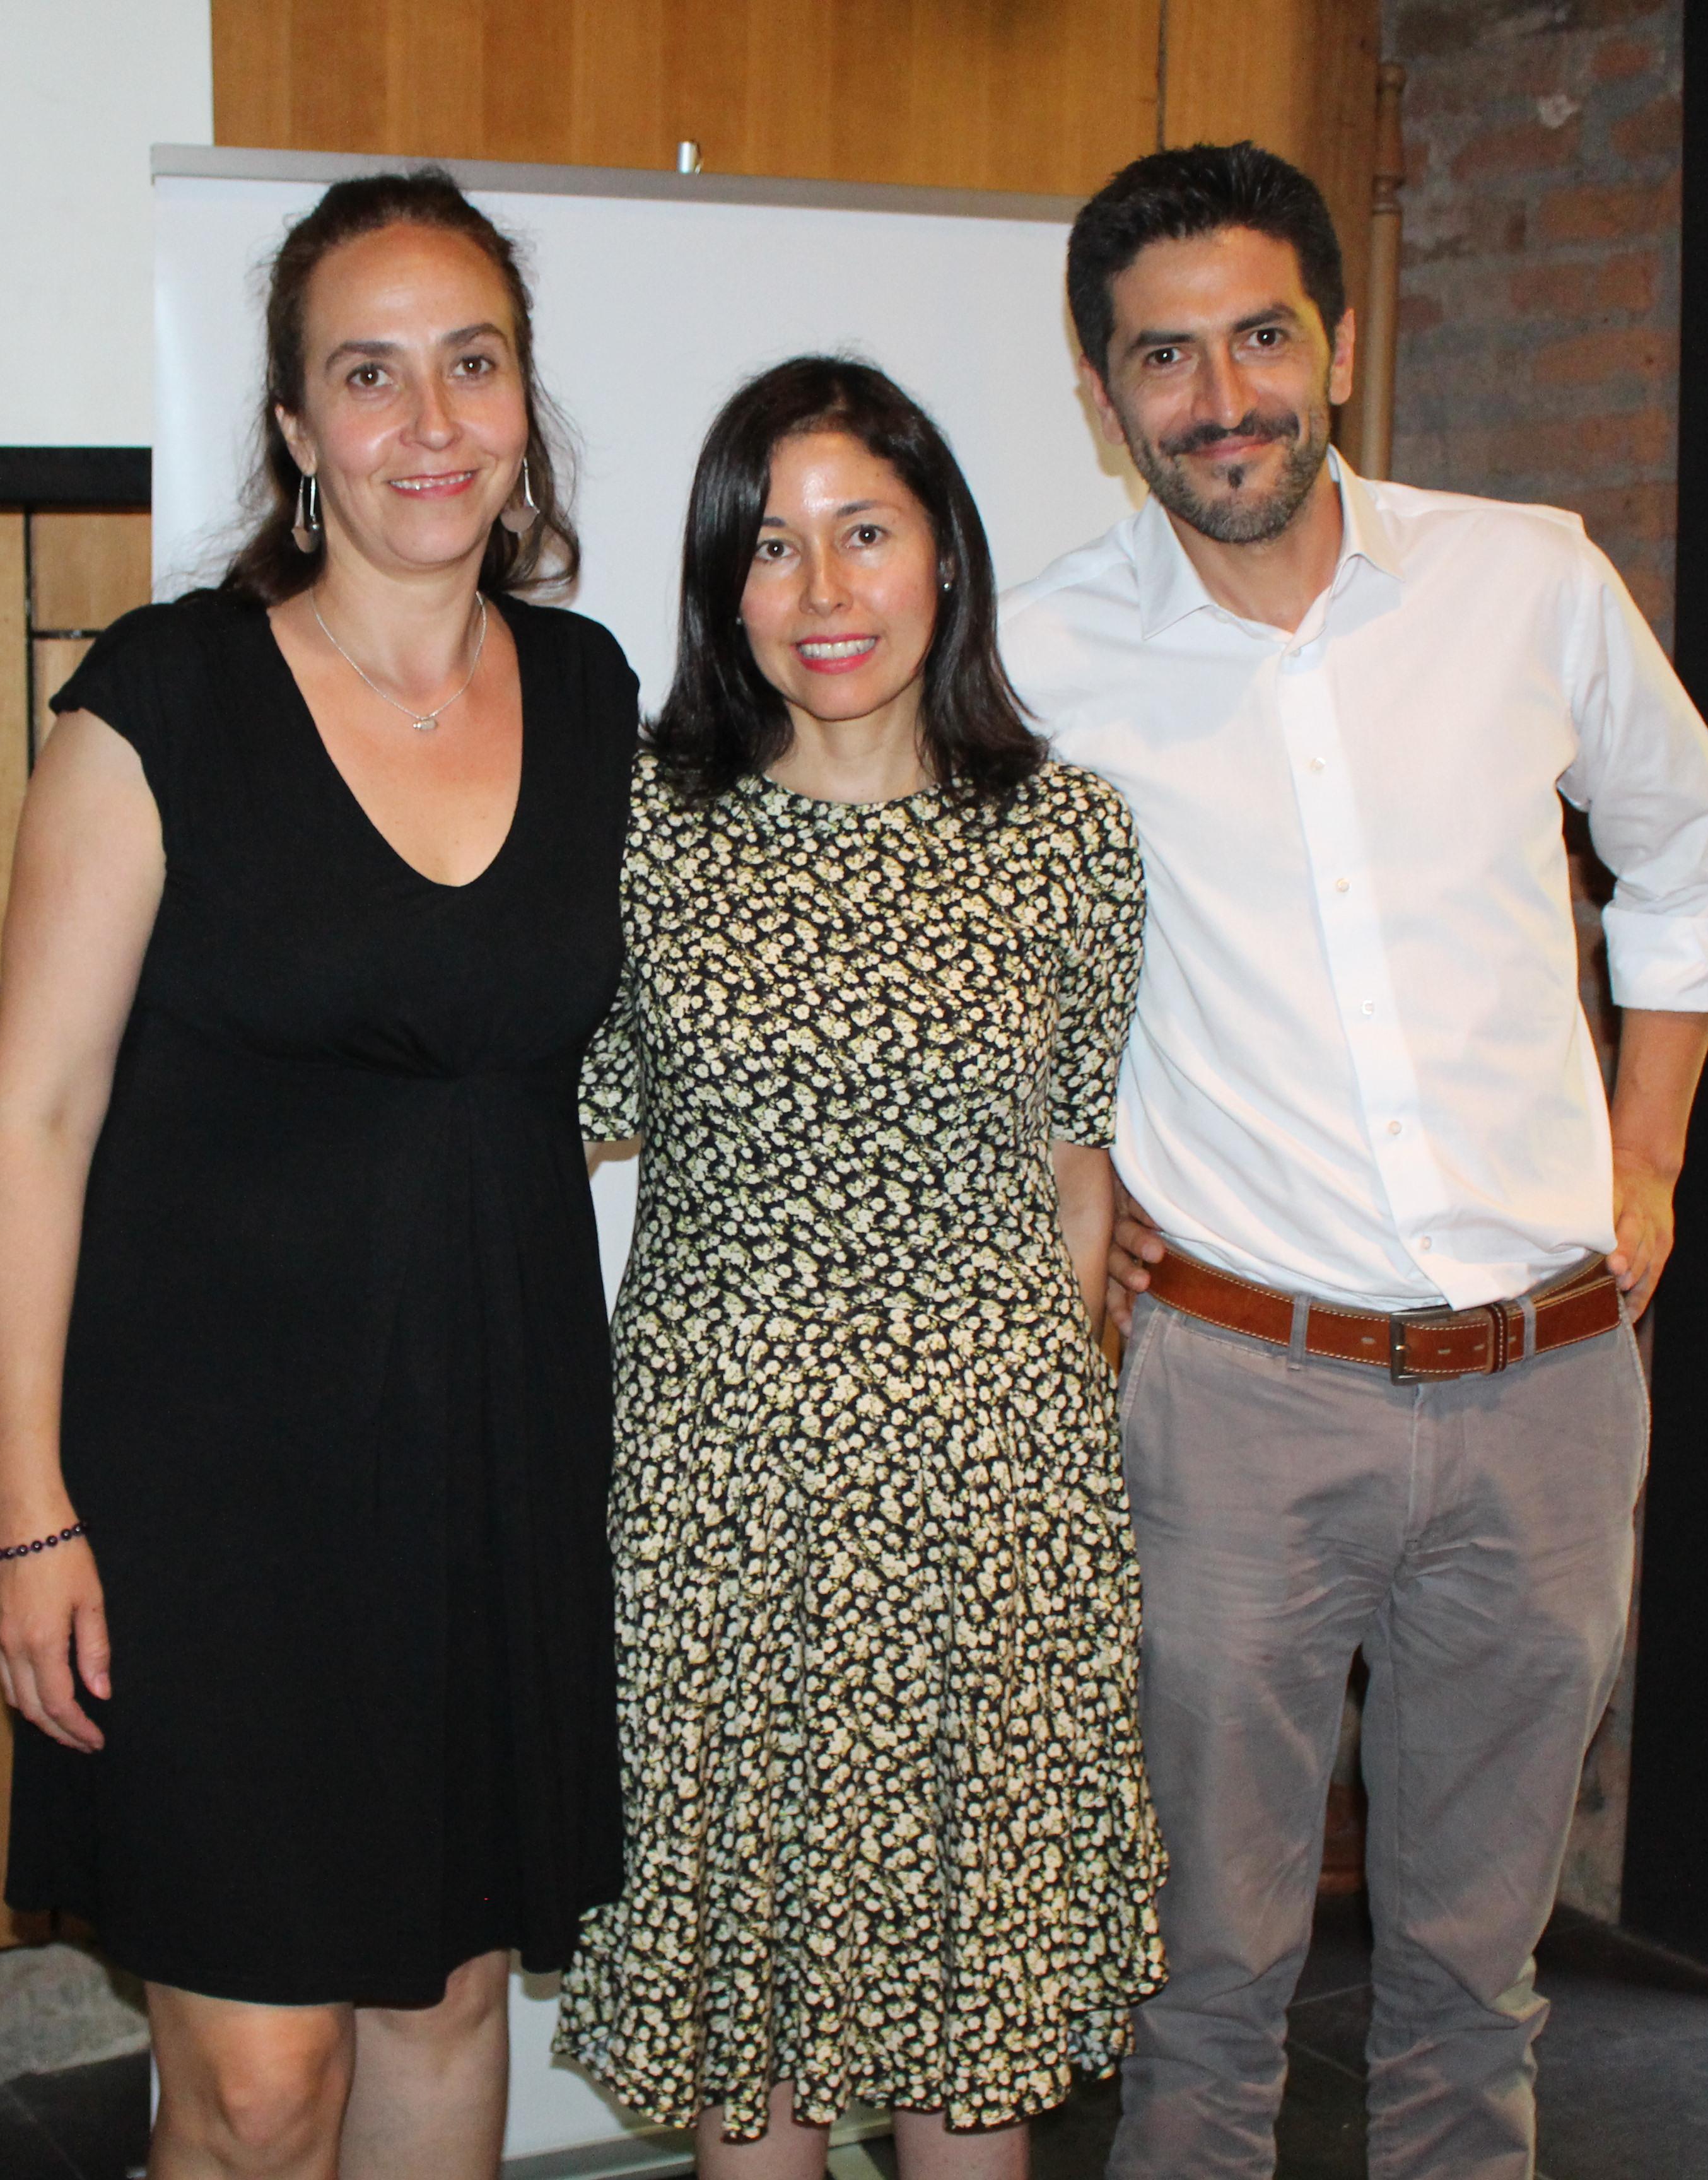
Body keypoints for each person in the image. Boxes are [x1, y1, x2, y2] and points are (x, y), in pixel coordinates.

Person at [998, 144, 1708, 2180]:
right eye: (1163, 358)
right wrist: (1077, 1202)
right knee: (1204, 1996)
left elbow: (1692, 862)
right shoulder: (1041, 661)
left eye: (1262, 335)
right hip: (1234, 1403)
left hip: (1545, 1389)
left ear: (1337, 342)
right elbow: (958, 969)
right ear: (1103, 396)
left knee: (1469, 1994)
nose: (1222, 395)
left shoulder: (1526, 578)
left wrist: (1653, 1156)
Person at [0, 169, 635, 2180]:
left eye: (472, 365)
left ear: (522, 409)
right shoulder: (158, 700)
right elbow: (32, 1124)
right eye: (370, 374)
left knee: (438, 2002)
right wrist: (24, 1515)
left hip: (493, 1453)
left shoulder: (592, 694)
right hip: (210, 1494)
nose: (428, 422)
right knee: (260, 2092)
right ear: (293, 431)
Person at [554, 356, 1167, 2180]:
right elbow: (546, 1138)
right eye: (772, 549)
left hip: (991, 1513)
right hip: (721, 1503)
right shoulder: (645, 834)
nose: (823, 595)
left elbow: (1078, 1172)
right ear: (720, 590)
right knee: (764, 2048)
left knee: (970, 2043)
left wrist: (1010, 1432)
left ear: (945, 558)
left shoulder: (1069, 840)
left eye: (866, 535)